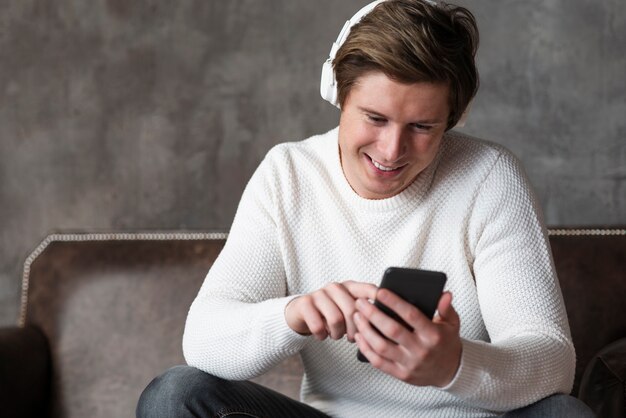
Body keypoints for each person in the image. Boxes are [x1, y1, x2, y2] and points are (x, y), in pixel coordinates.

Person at [137, 1, 595, 417]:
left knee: (565, 416)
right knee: (175, 394)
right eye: (375, 118)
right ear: (337, 94)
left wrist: (453, 365)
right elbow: (203, 340)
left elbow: (553, 363)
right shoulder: (288, 174)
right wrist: (295, 314)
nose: (392, 150)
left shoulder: (490, 177)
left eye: (422, 126)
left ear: (453, 120)